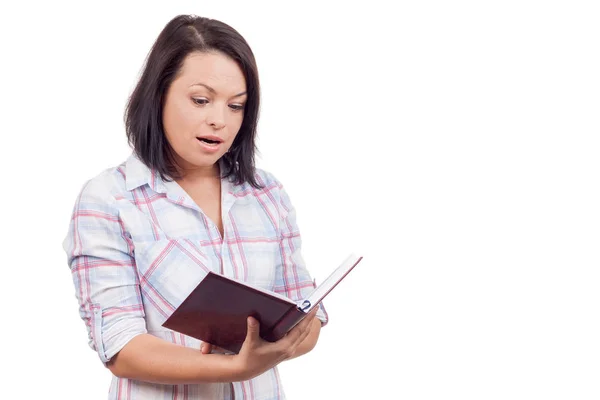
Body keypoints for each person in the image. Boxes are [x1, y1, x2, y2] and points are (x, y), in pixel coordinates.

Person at [62, 14, 327, 399]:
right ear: (159, 94)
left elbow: (306, 312)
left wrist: (285, 340)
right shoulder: (109, 198)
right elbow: (120, 345)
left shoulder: (266, 193)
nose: (219, 120)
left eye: (236, 106)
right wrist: (235, 366)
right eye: (201, 100)